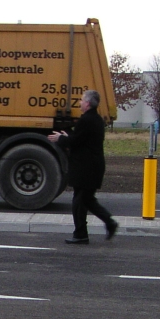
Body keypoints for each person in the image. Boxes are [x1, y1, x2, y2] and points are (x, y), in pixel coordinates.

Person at [48, 89, 118, 244]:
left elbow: (76, 141)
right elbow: (82, 139)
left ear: (87, 103)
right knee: (85, 200)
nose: (79, 102)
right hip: (92, 166)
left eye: (81, 100)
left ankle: (85, 232)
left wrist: (60, 138)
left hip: (86, 168)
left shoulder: (86, 120)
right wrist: (69, 138)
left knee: (80, 201)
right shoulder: (96, 119)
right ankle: (93, 228)